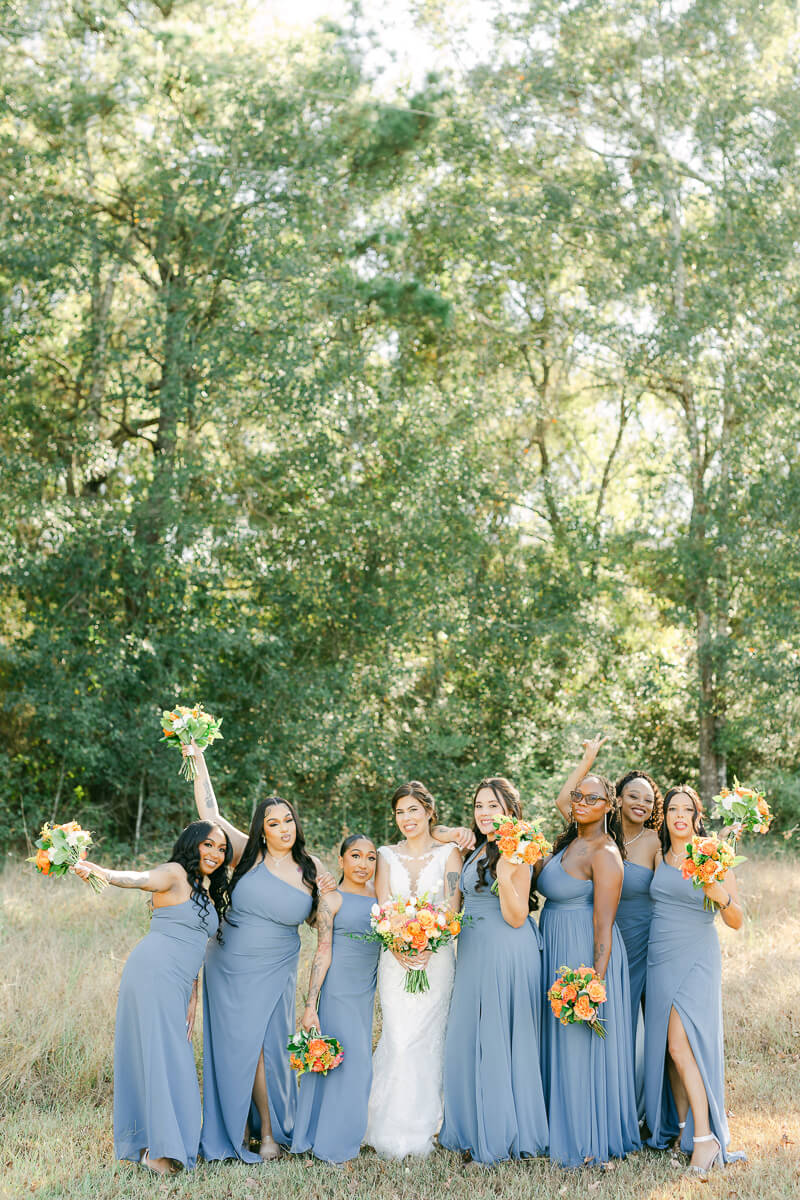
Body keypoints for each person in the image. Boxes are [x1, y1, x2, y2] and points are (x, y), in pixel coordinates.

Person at [186, 741, 335, 1162]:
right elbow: (209, 813)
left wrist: (334, 898)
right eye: (274, 822)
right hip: (228, 962)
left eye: (288, 819)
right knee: (240, 1046)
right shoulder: (245, 854)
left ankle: (269, 1128)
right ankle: (260, 1132)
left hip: (276, 967)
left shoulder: (312, 868)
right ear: (262, 828)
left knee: (268, 1046)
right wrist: (199, 760)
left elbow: (326, 924)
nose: (284, 827)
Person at [74, 821, 231, 1174]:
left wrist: (193, 994)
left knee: (170, 1054)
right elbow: (139, 878)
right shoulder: (173, 873)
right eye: (209, 845)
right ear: (192, 844)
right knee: (164, 1055)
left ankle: (163, 1145)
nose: (216, 854)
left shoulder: (203, 893)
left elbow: (197, 948)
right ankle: (157, 1152)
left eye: (222, 849)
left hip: (178, 981)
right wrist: (103, 873)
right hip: (153, 971)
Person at [439, 777, 548, 1164]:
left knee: (500, 1036)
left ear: (511, 811)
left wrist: (505, 873)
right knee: (469, 1036)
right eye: (479, 806)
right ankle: (471, 1124)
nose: (484, 813)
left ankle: (501, 1130)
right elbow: (435, 836)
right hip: (473, 950)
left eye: (493, 806)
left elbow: (517, 917)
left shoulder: (517, 849)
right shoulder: (476, 845)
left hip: (505, 949)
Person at [536, 773, 640, 1167]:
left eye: (592, 798)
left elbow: (604, 928)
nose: (580, 802)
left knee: (580, 1045)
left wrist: (592, 986)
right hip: (554, 945)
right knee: (557, 1041)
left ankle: (587, 1134)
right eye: (578, 796)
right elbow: (563, 797)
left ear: (608, 806)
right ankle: (553, 1122)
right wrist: (587, 762)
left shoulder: (605, 854)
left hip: (584, 955)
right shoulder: (571, 839)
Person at [556, 735, 662, 1116]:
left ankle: (645, 1108)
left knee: (648, 1027)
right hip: (603, 933)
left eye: (648, 799)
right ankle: (617, 1105)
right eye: (634, 796)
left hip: (642, 937)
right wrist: (588, 759)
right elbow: (564, 799)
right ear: (618, 800)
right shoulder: (595, 827)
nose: (641, 803)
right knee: (619, 1025)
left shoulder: (656, 840)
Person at [645, 786, 746, 1175]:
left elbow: (736, 920)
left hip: (696, 957)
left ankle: (706, 1139)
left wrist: (717, 892)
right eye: (673, 808)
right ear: (665, 814)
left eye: (688, 809)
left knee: (680, 1045)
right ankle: (684, 1131)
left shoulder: (712, 855)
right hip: (659, 957)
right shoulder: (658, 854)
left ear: (697, 814)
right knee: (670, 1053)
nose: (680, 815)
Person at [364, 781, 463, 1158]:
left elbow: (452, 906)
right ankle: (388, 1125)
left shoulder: (449, 854)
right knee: (400, 1037)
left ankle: (430, 1125)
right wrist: (399, 945)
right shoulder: (386, 856)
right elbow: (383, 905)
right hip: (395, 958)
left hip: (436, 959)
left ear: (429, 812)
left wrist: (429, 941)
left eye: (413, 811)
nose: (406, 819)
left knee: (429, 1037)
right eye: (400, 812)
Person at [290, 834, 380, 1163]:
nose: (363, 864)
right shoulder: (333, 899)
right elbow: (322, 953)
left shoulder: (381, 897)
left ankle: (334, 1135)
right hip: (339, 990)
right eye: (355, 856)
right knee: (342, 1064)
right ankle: (331, 1144)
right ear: (341, 861)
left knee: (355, 1066)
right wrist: (310, 1006)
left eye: (371, 858)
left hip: (365, 990)